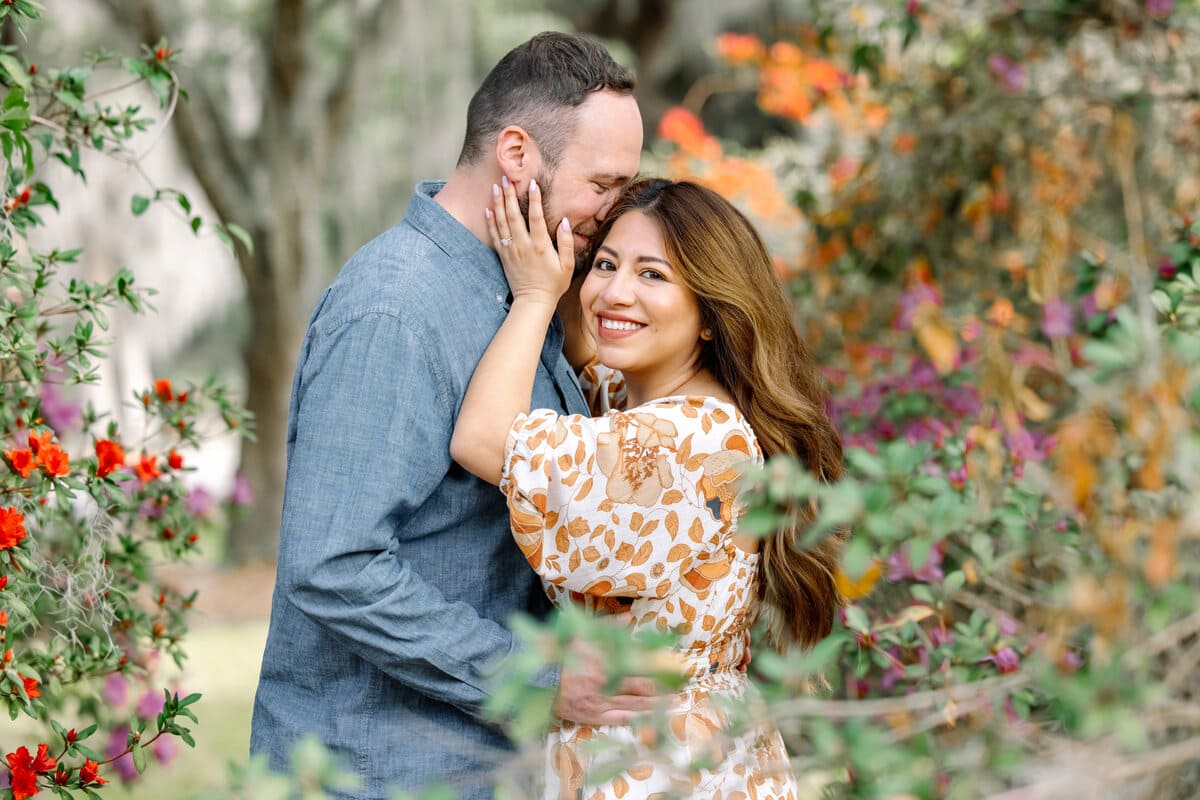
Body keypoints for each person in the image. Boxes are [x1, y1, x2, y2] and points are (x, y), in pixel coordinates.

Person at [250, 32, 648, 800]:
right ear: (517, 154)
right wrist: (534, 679)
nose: (617, 207)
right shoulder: (396, 309)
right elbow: (333, 564)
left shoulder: (523, 290)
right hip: (374, 772)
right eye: (605, 182)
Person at [450, 177, 846, 798]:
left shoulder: (688, 441)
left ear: (712, 316)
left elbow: (480, 440)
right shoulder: (636, 400)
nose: (616, 291)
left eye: (654, 275)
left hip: (667, 764)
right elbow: (588, 335)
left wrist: (533, 294)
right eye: (605, 264)